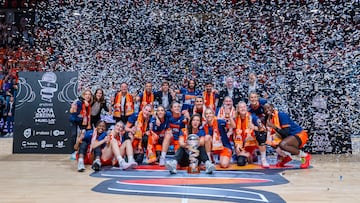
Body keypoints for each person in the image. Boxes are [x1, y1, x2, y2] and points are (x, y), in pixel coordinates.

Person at [263, 103, 311, 169]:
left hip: (298, 135)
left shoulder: (281, 115)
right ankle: (285, 157)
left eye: (268, 108)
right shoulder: (269, 119)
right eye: (265, 109)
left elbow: (285, 133)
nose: (267, 110)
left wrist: (273, 126)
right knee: (270, 140)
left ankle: (304, 156)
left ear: (272, 107)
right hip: (288, 137)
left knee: (283, 144)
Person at [231, 102, 266, 166]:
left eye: (244, 107)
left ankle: (256, 155)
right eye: (241, 107)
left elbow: (263, 128)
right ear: (238, 109)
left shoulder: (252, 117)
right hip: (239, 144)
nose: (243, 109)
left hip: (250, 142)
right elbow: (232, 128)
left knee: (258, 136)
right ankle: (248, 155)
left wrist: (254, 127)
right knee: (240, 162)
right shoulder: (234, 118)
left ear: (247, 108)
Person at [248, 92, 270, 167]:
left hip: (268, 122)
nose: (253, 99)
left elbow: (270, 111)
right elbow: (255, 119)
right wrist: (260, 126)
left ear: (257, 98)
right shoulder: (249, 109)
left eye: (255, 97)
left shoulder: (263, 102)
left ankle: (281, 156)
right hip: (258, 124)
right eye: (251, 97)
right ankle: (263, 159)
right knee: (260, 136)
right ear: (249, 99)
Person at [69, 89, 93, 159]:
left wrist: (88, 124)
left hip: (83, 122)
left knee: (83, 136)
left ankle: (79, 151)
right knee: (74, 135)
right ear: (83, 95)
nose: (88, 96)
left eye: (89, 94)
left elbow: (89, 115)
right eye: (86, 94)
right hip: (75, 120)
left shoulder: (89, 105)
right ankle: (73, 152)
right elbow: (73, 112)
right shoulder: (79, 102)